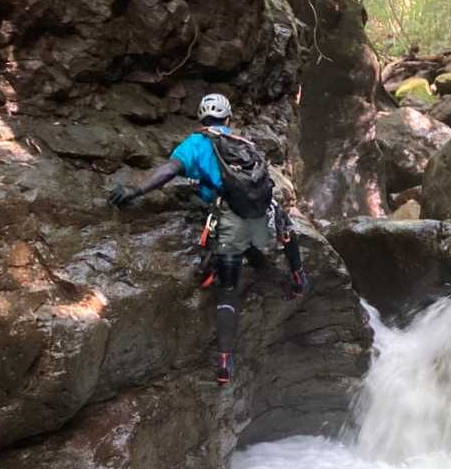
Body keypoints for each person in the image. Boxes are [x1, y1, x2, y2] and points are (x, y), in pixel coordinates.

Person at [107, 93, 309, 386]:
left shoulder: (197, 143)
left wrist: (135, 190)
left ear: (201, 118)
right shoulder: (244, 143)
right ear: (228, 118)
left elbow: (169, 171)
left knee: (228, 289)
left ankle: (224, 365)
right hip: (264, 218)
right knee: (284, 225)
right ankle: (298, 277)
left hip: (231, 221)